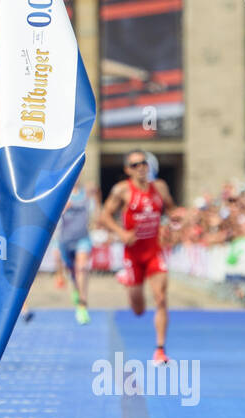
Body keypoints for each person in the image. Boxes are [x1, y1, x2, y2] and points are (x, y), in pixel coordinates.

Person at [98, 151, 176, 362]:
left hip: (154, 252)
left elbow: (171, 210)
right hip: (132, 254)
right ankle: (126, 279)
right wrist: (121, 233)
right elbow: (104, 215)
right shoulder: (122, 190)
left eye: (143, 163)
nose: (141, 167)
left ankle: (160, 350)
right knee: (139, 310)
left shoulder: (159, 187)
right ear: (128, 170)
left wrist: (174, 223)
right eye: (135, 165)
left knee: (161, 298)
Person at [54, 178, 95, 324]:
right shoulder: (62, 194)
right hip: (65, 240)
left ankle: (82, 305)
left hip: (83, 238)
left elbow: (94, 210)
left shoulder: (86, 194)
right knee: (73, 272)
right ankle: (76, 291)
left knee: (82, 268)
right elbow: (53, 216)